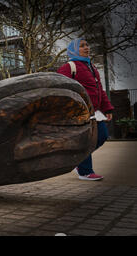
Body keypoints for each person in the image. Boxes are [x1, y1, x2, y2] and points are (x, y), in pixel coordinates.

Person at [57, 38, 114, 181]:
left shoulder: (92, 68)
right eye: (82, 46)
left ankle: (78, 161)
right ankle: (85, 171)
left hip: (94, 112)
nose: (86, 48)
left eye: (87, 45)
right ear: (74, 50)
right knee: (86, 140)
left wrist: (107, 108)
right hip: (78, 112)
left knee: (102, 135)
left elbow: (99, 90)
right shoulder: (69, 66)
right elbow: (61, 89)